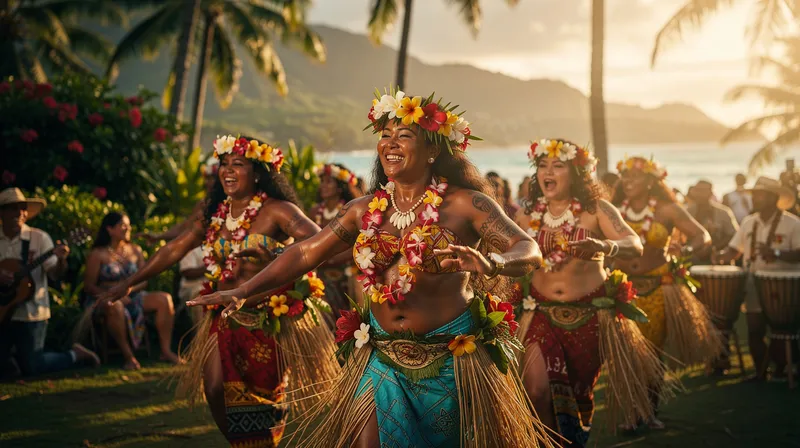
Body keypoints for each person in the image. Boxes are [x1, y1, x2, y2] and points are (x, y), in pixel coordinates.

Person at [188, 89, 554, 447]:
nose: (391, 144)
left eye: (404, 135)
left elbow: (529, 249)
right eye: (385, 136)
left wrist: (492, 261)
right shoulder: (364, 210)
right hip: (381, 355)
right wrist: (244, 289)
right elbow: (305, 253)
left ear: (431, 151)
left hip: (451, 358)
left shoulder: (467, 204)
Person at [100, 135, 339, 447]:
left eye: (237, 164)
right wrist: (129, 282)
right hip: (223, 315)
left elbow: (320, 245)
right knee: (213, 386)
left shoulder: (278, 211)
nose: (227, 170)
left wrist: (276, 257)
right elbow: (174, 249)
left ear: (257, 172)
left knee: (263, 398)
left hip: (268, 316)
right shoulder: (214, 212)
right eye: (224, 164)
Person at [513, 139, 661, 446]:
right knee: (537, 390)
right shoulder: (527, 217)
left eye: (558, 165)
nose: (548, 172)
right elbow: (507, 252)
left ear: (577, 173)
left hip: (589, 318)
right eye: (542, 165)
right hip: (539, 315)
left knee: (580, 394)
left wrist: (605, 246)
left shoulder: (596, 211)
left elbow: (634, 243)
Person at [612, 156, 722, 429]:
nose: (628, 182)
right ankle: (631, 413)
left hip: (657, 288)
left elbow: (702, 236)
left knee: (650, 351)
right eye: (625, 177)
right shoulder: (615, 211)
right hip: (621, 288)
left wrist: (683, 250)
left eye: (635, 177)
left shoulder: (667, 210)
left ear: (651, 181)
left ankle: (649, 411)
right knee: (625, 353)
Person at [0, 188, 99, 377]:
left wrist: (61, 260)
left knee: (33, 367)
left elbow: (55, 275)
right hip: (3, 310)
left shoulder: (39, 238)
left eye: (22, 208)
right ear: (2, 213)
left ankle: (74, 355)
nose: (19, 213)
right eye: (13, 208)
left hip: (32, 313)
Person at [714, 176, 800, 380]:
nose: (755, 198)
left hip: (783, 285)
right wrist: (722, 255)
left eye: (760, 195)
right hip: (753, 282)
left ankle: (783, 368)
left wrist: (777, 254)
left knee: (782, 329)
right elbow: (735, 248)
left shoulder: (793, 223)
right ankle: (761, 371)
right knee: (754, 328)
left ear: (772, 198)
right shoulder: (748, 222)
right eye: (755, 194)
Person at [83, 212, 179, 370]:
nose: (127, 228)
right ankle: (129, 357)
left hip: (134, 295)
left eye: (128, 224)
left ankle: (165, 351)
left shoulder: (135, 250)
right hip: (107, 298)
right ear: (109, 229)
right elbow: (89, 286)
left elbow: (144, 279)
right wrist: (114, 296)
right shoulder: (98, 254)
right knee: (115, 306)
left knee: (164, 299)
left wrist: (128, 291)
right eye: (122, 224)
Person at [310, 163, 362, 319]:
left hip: (347, 277)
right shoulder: (314, 212)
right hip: (321, 276)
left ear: (340, 187)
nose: (323, 186)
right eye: (322, 181)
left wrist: (329, 259)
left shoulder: (350, 212)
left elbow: (358, 244)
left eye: (328, 182)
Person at [687, 180, 739, 265]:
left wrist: (713, 248)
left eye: (703, 191)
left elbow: (734, 235)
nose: (700, 194)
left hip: (719, 259)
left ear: (710, 193)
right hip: (694, 260)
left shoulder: (724, 212)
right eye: (698, 191)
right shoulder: (688, 212)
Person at [177, 246, 205, 324]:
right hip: (193, 289)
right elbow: (187, 272)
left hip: (214, 287)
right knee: (200, 300)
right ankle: (201, 334)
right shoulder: (190, 246)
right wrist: (211, 266)